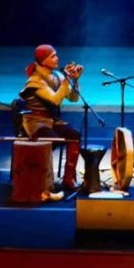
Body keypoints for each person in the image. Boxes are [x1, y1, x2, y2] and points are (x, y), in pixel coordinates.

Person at [19, 44, 83, 191]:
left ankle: (69, 179)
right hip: (36, 122)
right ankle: (41, 181)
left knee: (74, 135)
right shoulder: (35, 81)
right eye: (53, 56)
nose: (57, 58)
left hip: (51, 121)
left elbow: (73, 98)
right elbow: (54, 100)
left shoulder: (57, 77)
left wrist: (75, 80)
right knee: (52, 138)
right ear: (43, 60)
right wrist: (66, 81)